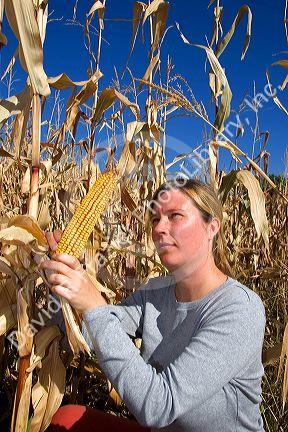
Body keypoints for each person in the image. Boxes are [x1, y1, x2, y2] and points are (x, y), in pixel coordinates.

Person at [42, 178, 266, 432]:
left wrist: (94, 304)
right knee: (67, 418)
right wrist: (61, 283)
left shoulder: (239, 309)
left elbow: (159, 406)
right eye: (156, 220)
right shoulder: (154, 293)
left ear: (211, 227)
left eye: (175, 216)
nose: (159, 228)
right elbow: (88, 335)